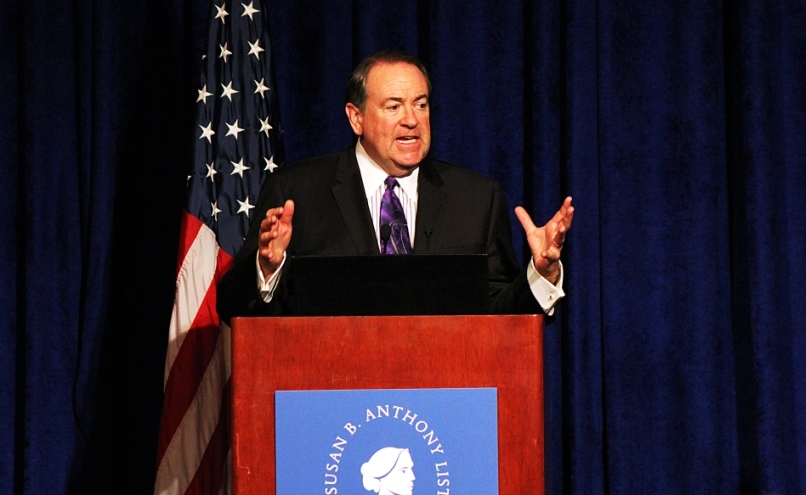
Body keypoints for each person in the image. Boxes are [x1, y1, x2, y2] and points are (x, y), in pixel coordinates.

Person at [216, 50, 574, 322]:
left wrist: (540, 275)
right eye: (393, 106)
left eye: (421, 104)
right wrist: (266, 270)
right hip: (332, 404)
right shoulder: (297, 192)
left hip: (441, 404)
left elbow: (501, 315)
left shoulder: (476, 198)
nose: (411, 120)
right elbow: (232, 308)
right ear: (356, 118)